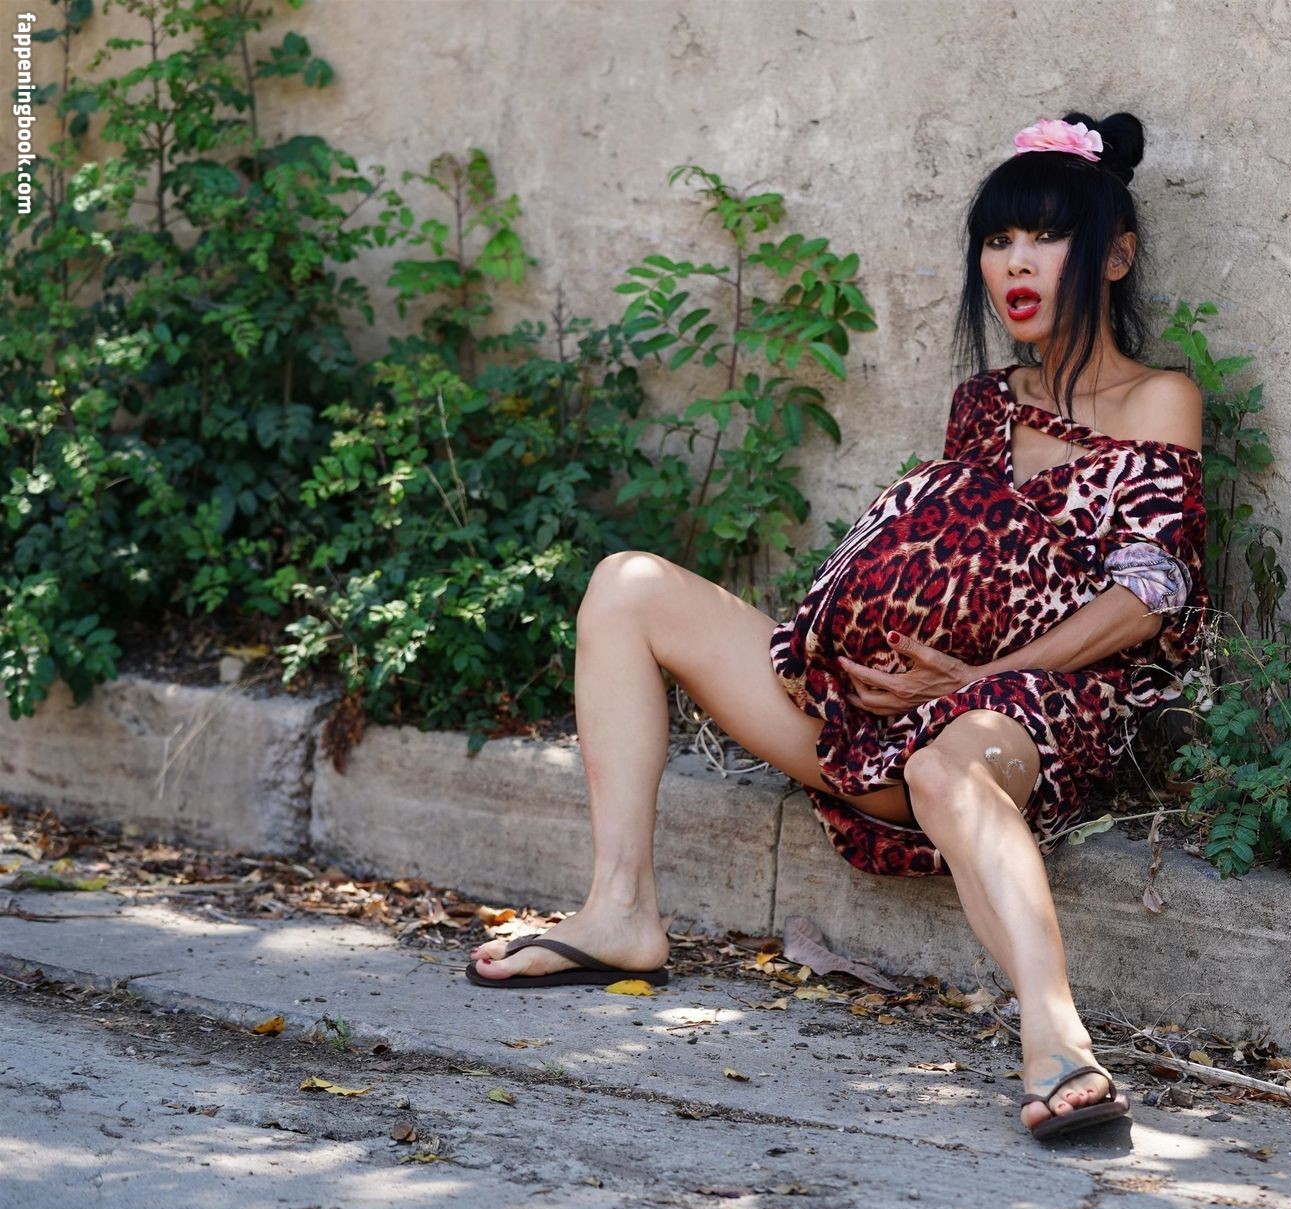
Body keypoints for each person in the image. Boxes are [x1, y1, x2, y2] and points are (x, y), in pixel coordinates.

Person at [469, 110, 1209, 1142]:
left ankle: (1057, 1043)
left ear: (1115, 256)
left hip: (1024, 715)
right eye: (998, 239)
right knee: (626, 584)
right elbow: (956, 561)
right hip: (879, 715)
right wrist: (851, 645)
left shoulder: (1159, 398)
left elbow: (1149, 593)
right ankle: (620, 910)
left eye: (1047, 236)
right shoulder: (984, 403)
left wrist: (974, 681)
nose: (1015, 262)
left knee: (948, 768)